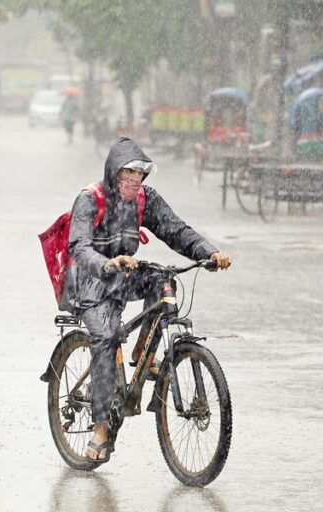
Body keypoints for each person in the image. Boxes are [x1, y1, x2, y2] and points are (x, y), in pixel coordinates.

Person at [65, 137, 231, 462]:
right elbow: (79, 246)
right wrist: (105, 263)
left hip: (124, 274)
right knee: (106, 337)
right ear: (114, 173)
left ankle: (142, 351)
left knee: (162, 278)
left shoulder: (144, 199)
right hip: (90, 280)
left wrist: (208, 252)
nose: (133, 181)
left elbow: (175, 230)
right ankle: (100, 427)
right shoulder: (90, 199)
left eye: (139, 175)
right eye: (128, 174)